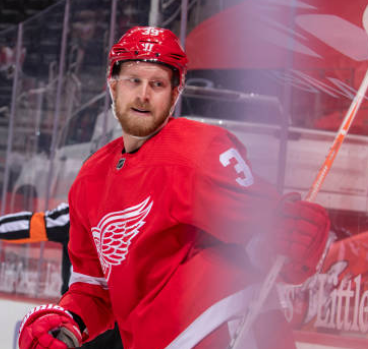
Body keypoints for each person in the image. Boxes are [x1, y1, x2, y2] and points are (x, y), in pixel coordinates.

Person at [17, 26, 331, 349]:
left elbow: (263, 233)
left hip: (226, 331)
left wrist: (292, 238)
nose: (143, 94)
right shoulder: (90, 179)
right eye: (133, 81)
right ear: (112, 85)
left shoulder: (200, 151)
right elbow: (93, 288)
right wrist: (65, 326)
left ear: (174, 93)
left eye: (157, 84)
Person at [0, 203, 123, 349]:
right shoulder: (80, 210)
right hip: (88, 317)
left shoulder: (81, 210)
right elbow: (32, 225)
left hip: (93, 319)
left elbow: (31, 225)